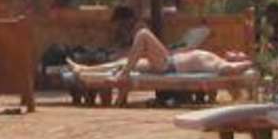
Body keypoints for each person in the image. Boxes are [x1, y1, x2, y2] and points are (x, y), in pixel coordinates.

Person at [68, 26, 254, 90]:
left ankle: (123, 75)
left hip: (168, 65)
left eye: (237, 53)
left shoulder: (219, 63)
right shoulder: (215, 57)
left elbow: (229, 70)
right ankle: (83, 69)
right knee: (125, 61)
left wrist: (251, 62)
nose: (234, 50)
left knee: (143, 34)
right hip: (167, 61)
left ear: (236, 61)